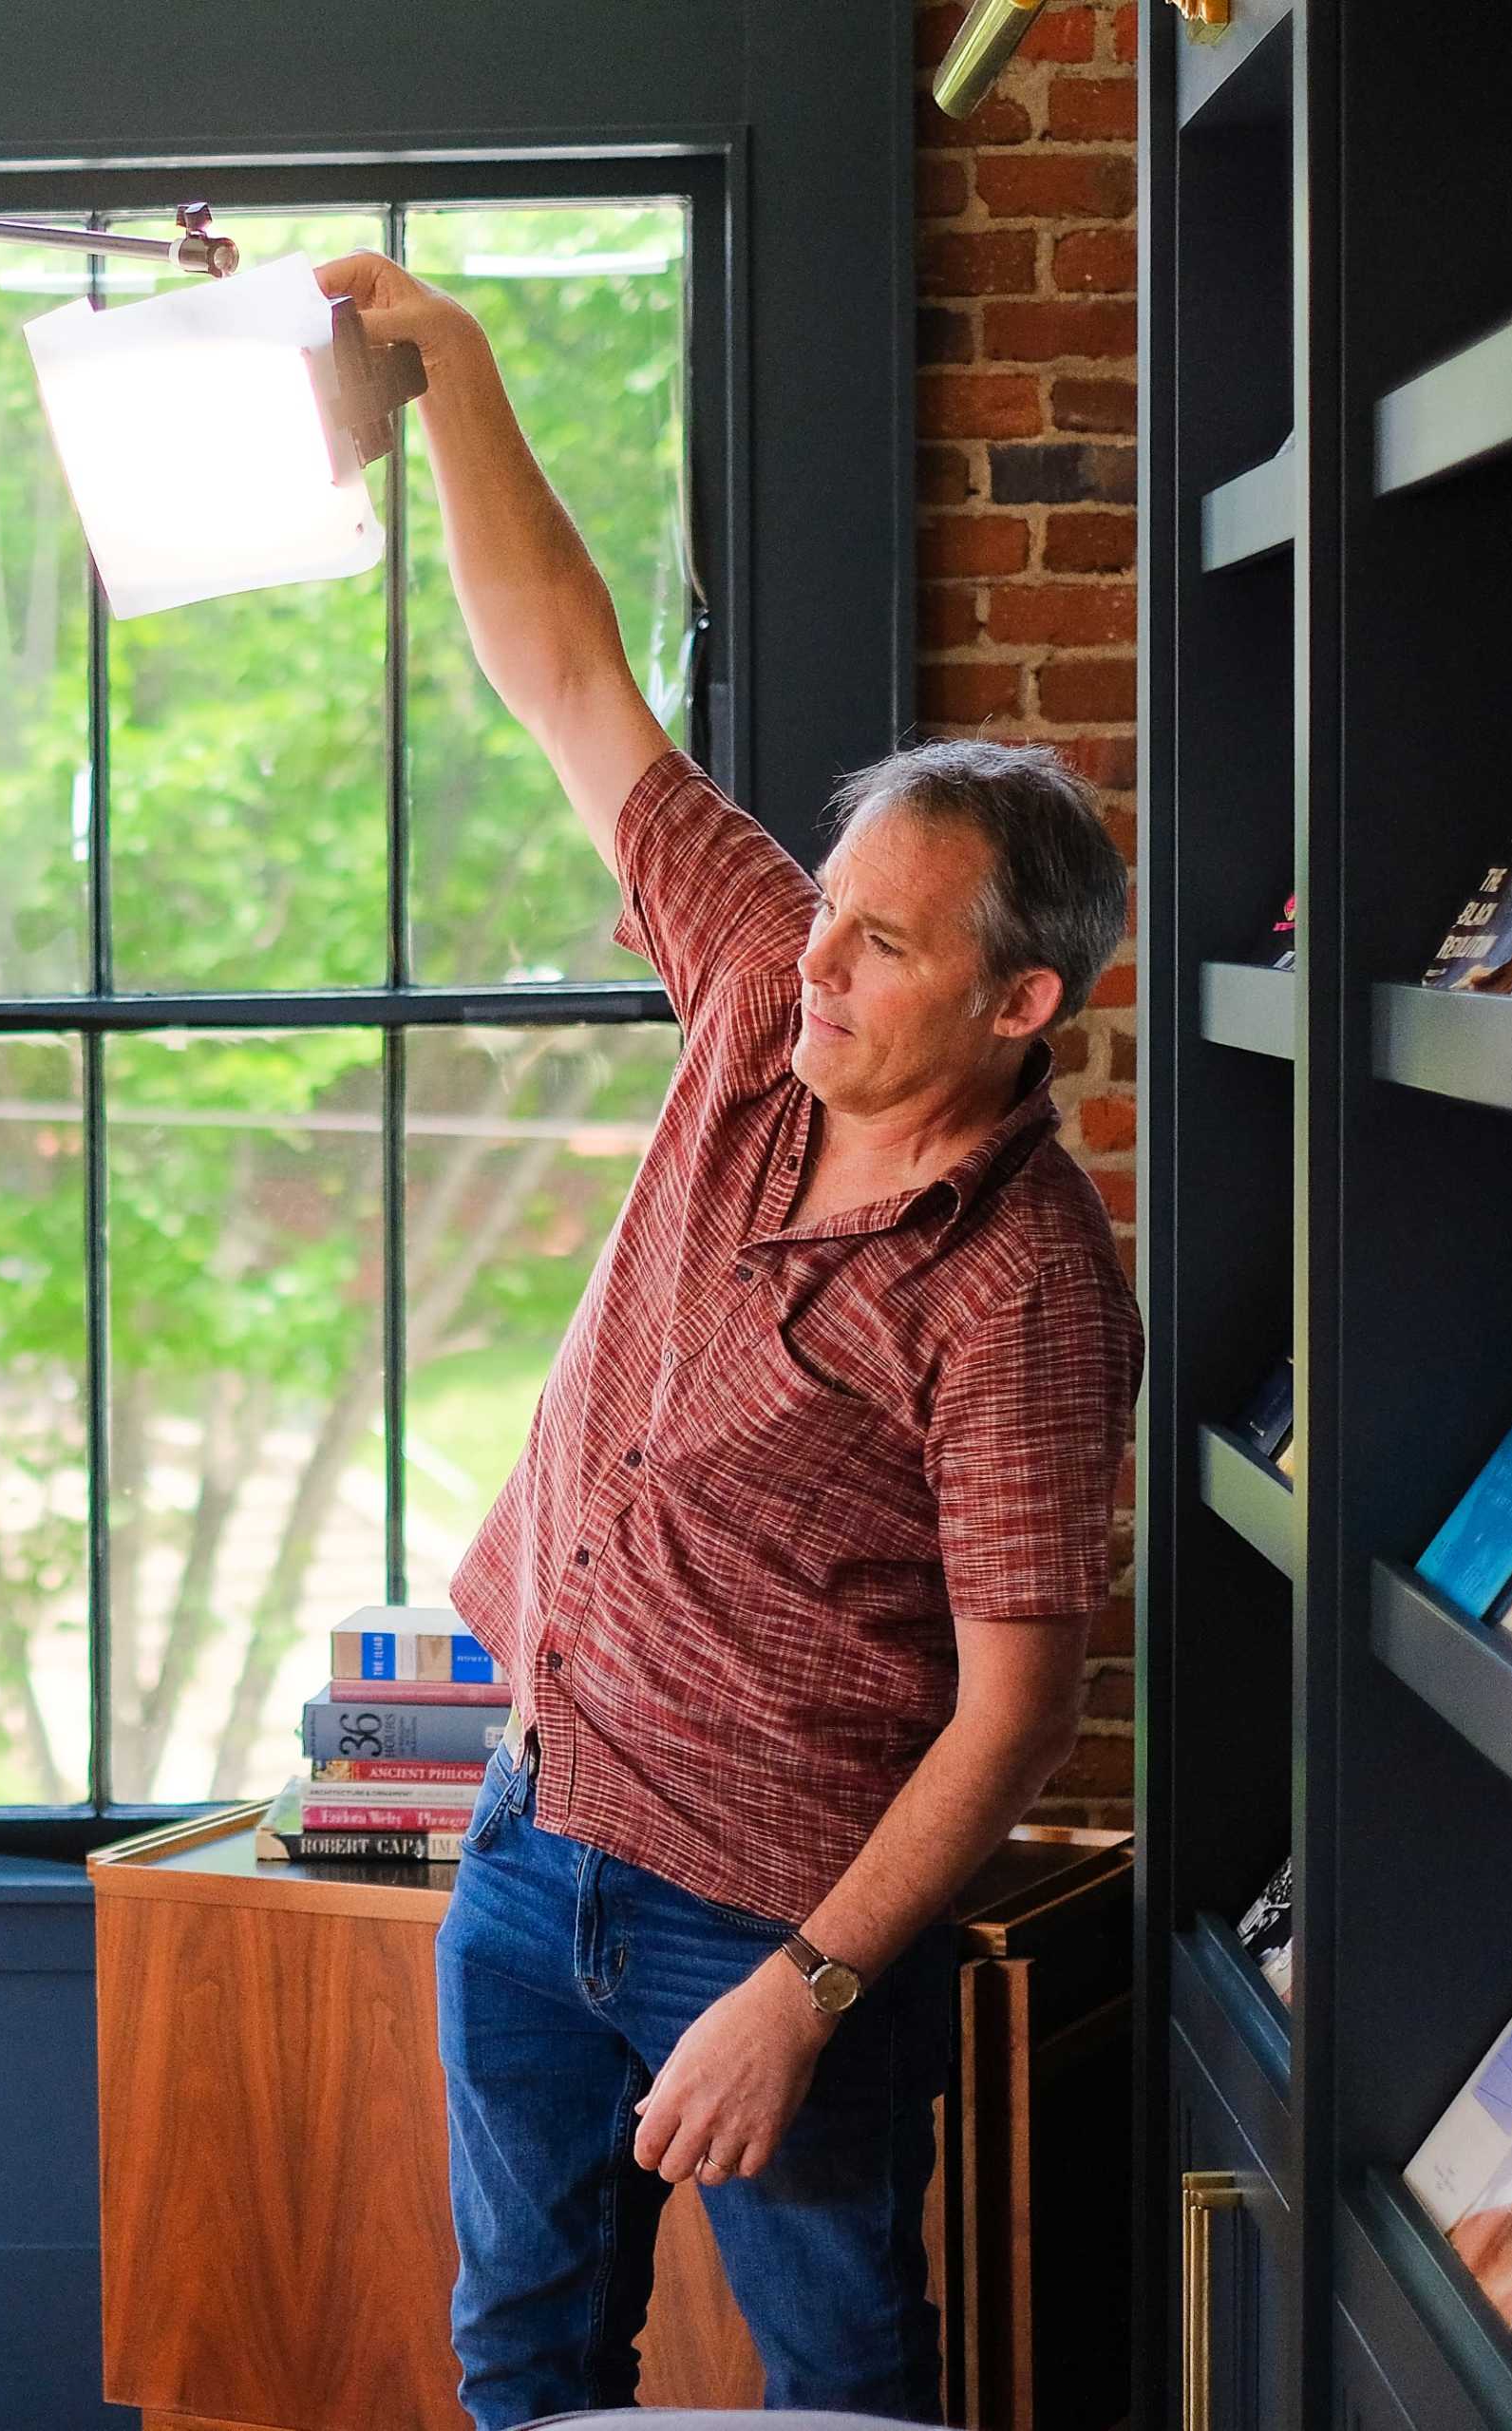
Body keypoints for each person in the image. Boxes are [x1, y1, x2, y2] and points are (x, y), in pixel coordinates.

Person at [318, 253, 1142, 2425]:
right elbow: (575, 686)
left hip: (768, 1917)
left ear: (1016, 1001)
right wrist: (452, 368)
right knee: (521, 2352)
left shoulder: (1030, 1283)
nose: (814, 968)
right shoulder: (756, 1012)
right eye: (823, 915)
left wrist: (804, 1986)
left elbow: (1019, 1698)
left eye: (876, 947)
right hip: (527, 1832)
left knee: (845, 2383)